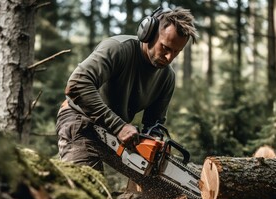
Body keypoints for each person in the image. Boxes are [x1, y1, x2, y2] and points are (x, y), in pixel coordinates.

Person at [56, 6, 197, 174]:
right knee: (89, 187)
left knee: (156, 181)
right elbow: (77, 84)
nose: (169, 58)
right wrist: (119, 127)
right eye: (165, 48)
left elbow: (154, 123)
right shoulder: (118, 49)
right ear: (149, 34)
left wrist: (155, 143)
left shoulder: (167, 77)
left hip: (116, 131)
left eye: (176, 52)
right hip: (81, 121)